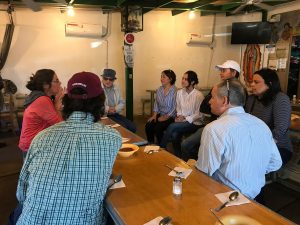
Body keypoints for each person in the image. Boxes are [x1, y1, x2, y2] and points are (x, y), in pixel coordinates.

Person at [12, 72, 122, 224]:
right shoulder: (113, 138)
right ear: (100, 102)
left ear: (67, 100)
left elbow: (21, 194)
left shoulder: (41, 138)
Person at [196, 80, 282, 199]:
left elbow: (204, 173)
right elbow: (275, 162)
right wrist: (252, 173)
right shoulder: (261, 125)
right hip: (255, 196)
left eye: (212, 97)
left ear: (224, 100)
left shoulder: (214, 129)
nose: (209, 101)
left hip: (223, 197)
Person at [181, 60, 240, 161]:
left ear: (234, 73)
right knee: (187, 144)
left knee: (193, 146)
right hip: (212, 124)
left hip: (225, 129)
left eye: (224, 70)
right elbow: (204, 107)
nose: (221, 73)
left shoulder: (239, 91)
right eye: (221, 70)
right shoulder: (217, 87)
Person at [245, 68, 293, 165]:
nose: (252, 85)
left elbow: (280, 129)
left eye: (256, 82)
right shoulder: (251, 99)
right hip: (253, 143)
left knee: (247, 161)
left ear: (269, 84)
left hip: (278, 147)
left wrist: (258, 145)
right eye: (252, 81)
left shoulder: (280, 99)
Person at [18, 69, 64, 159]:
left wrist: (56, 103)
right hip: (32, 146)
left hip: (34, 142)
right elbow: (59, 126)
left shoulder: (40, 97)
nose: (60, 83)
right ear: (46, 85)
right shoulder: (42, 100)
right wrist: (58, 103)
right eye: (57, 81)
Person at [160, 70, 204, 158]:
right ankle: (178, 157)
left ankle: (161, 148)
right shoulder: (179, 93)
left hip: (195, 123)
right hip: (182, 121)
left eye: (185, 79)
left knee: (172, 126)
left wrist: (184, 118)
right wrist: (179, 115)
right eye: (182, 78)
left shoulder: (198, 95)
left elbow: (199, 114)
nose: (182, 81)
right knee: (175, 134)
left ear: (192, 82)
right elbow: (178, 107)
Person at [145, 69, 176, 145]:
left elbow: (175, 107)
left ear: (170, 79)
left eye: (164, 77)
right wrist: (154, 115)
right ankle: (151, 143)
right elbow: (156, 103)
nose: (161, 79)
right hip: (161, 114)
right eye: (161, 77)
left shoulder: (175, 91)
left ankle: (162, 146)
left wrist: (166, 117)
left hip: (171, 116)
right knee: (149, 125)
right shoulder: (159, 89)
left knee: (158, 128)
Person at [101, 68, 136, 133]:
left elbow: (122, 102)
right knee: (123, 128)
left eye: (110, 79)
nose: (108, 81)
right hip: (103, 115)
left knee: (132, 127)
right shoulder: (98, 89)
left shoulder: (117, 88)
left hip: (115, 113)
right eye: (106, 78)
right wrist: (108, 109)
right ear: (102, 78)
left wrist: (115, 109)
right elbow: (98, 104)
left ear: (114, 80)